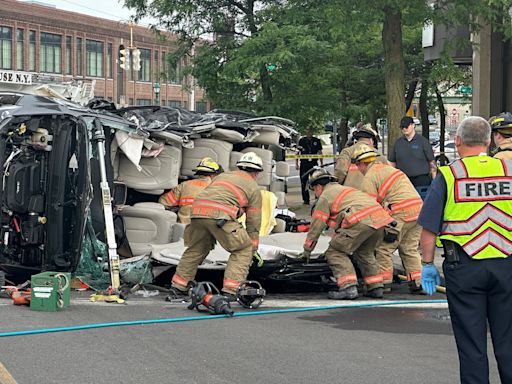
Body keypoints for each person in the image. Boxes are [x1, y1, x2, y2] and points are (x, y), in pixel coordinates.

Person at [418, 116, 512, 384]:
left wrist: (427, 265)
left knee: (471, 344)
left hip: (464, 267)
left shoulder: (449, 175)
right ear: (489, 141)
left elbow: (428, 229)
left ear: (457, 141)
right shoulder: (508, 171)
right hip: (506, 265)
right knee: (508, 340)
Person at [170, 152, 263, 297]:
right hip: (220, 218)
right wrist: (254, 246)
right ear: (257, 172)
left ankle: (178, 286)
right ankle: (231, 290)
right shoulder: (253, 187)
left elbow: (217, 197)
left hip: (196, 214)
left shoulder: (222, 177)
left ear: (238, 167)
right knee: (243, 248)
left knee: (196, 248)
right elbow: (254, 221)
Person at [301, 168, 395, 299]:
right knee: (365, 253)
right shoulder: (347, 190)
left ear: (318, 187)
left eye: (313, 190)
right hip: (379, 222)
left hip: (360, 221)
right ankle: (375, 287)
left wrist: (307, 250)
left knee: (335, 252)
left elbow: (316, 227)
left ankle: (348, 287)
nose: (315, 194)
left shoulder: (325, 197)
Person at [352, 144, 423, 291]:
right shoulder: (389, 169)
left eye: (358, 165)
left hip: (399, 212)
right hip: (418, 211)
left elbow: (369, 206)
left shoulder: (370, 177)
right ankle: (418, 282)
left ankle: (384, 282)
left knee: (384, 247)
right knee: (410, 248)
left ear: (362, 163)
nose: (359, 169)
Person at [158, 157, 223, 224]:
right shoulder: (219, 190)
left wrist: (180, 208)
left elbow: (163, 202)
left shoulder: (185, 185)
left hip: (183, 229)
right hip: (205, 231)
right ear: (213, 175)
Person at [389, 116, 437, 188]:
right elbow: (392, 163)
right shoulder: (398, 143)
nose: (404, 129)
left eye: (406, 126)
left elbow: (432, 163)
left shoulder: (423, 142)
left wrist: (435, 182)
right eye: (402, 127)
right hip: (402, 181)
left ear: (413, 125)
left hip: (421, 181)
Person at [296, 128, 323, 205]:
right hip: (304, 163)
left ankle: (317, 197)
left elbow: (320, 152)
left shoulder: (316, 140)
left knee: (316, 180)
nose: (309, 133)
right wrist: (296, 163)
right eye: (308, 131)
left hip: (314, 164)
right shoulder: (302, 141)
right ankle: (306, 200)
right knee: (304, 182)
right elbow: (297, 152)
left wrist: (321, 163)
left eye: (310, 131)